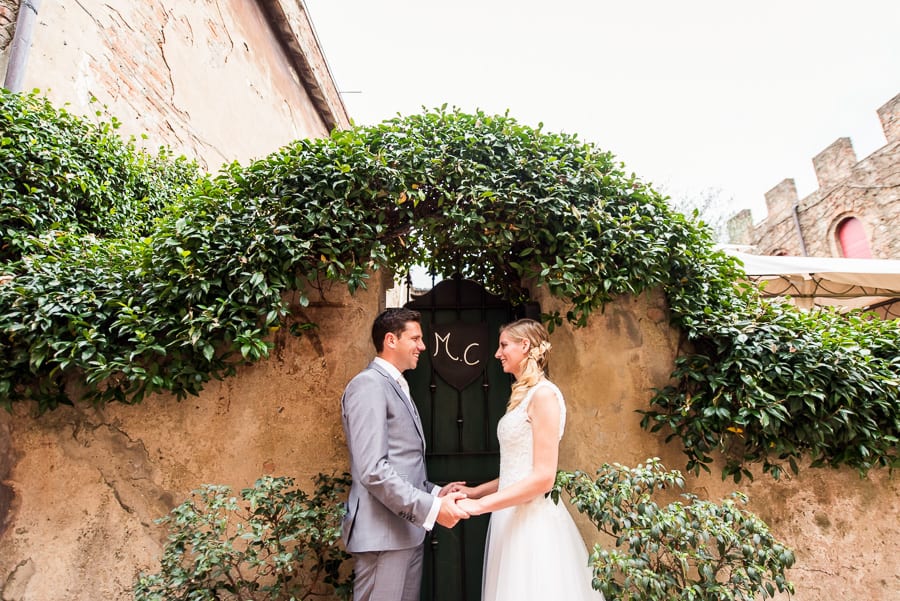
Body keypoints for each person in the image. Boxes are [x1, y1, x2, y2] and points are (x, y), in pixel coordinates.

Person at [454, 318, 604, 600]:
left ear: (525, 346)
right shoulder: (523, 395)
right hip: (509, 516)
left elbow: (544, 477)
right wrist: (477, 490)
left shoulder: (544, 395)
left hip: (533, 523)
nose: (498, 354)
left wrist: (479, 506)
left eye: (503, 345)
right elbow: (519, 469)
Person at [340, 307, 469, 601]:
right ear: (391, 340)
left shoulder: (397, 385)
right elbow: (373, 469)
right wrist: (432, 509)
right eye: (416, 338)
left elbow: (402, 462)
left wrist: (434, 492)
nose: (422, 346)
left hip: (406, 532)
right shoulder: (368, 385)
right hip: (383, 536)